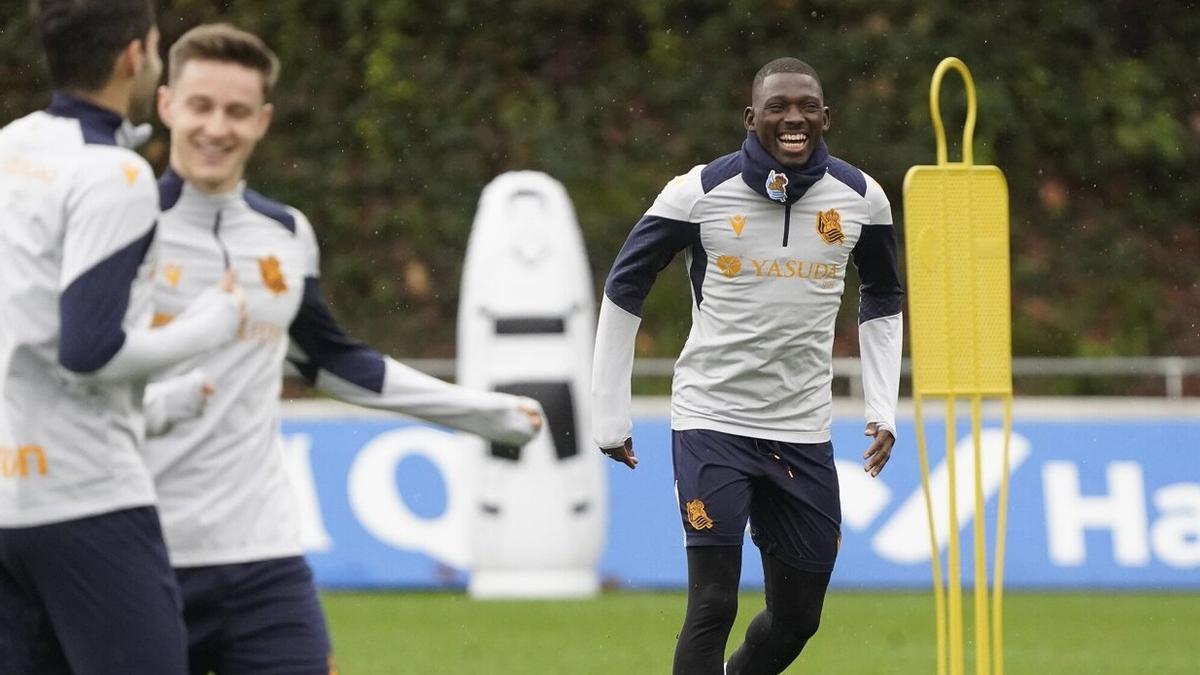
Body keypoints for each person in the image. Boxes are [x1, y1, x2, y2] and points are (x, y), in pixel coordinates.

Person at [143, 23, 545, 674]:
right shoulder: (121, 225)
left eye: (237, 111)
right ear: (166, 105)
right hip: (141, 556)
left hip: (264, 556)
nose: (217, 127)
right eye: (201, 106)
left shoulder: (285, 233)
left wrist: (479, 411)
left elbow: (332, 360)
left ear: (263, 120)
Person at [592, 57, 903, 674]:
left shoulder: (862, 198)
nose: (794, 119)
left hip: (802, 430)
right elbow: (625, 285)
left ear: (826, 117)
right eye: (778, 107)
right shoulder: (697, 193)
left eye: (807, 107)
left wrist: (882, 404)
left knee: (798, 618)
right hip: (712, 421)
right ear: (750, 118)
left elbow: (884, 294)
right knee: (713, 602)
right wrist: (609, 413)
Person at [0, 2, 246, 674]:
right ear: (133, 57)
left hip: (10, 505)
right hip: (90, 501)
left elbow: (29, 329)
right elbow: (87, 350)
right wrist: (208, 327)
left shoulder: (13, 146)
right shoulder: (117, 175)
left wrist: (157, 404)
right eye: (158, 46)